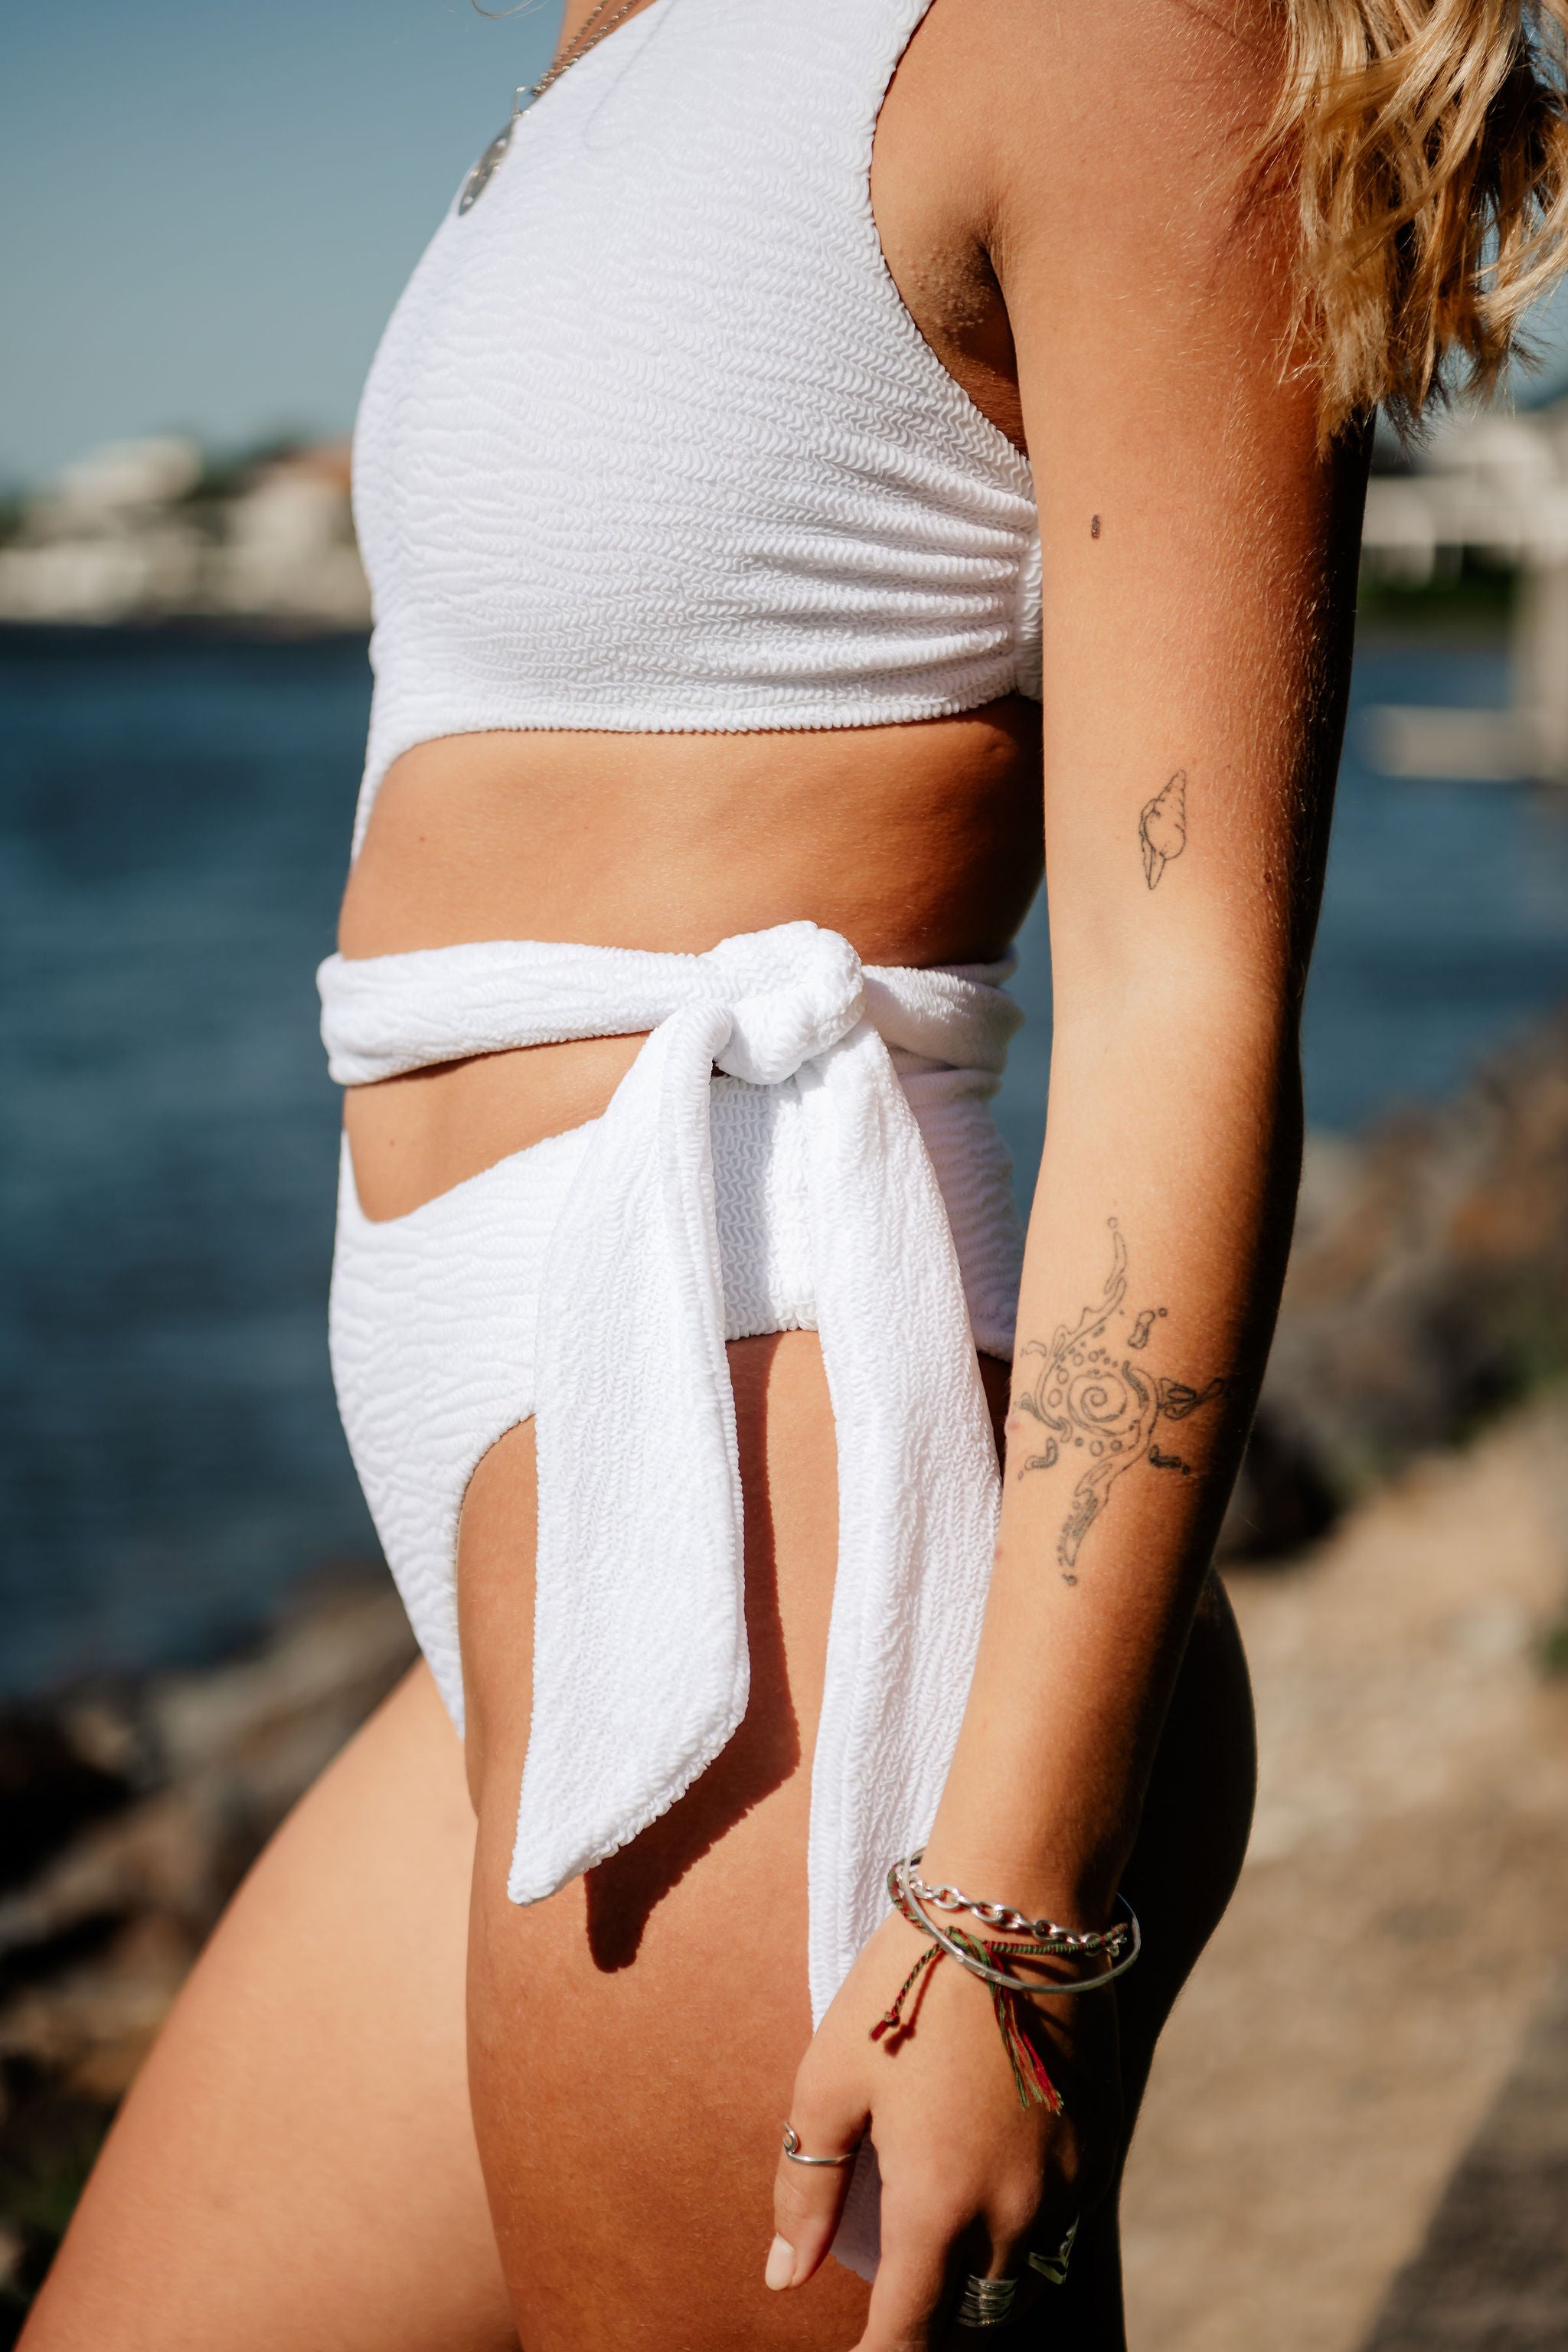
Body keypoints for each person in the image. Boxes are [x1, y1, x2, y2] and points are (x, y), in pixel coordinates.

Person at [24, 3, 1568, 2346]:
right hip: (568, 1534)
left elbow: (1187, 995)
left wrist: (1006, 1907)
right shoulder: (621, 32)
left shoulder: (1113, 37)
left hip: (790, 1561)